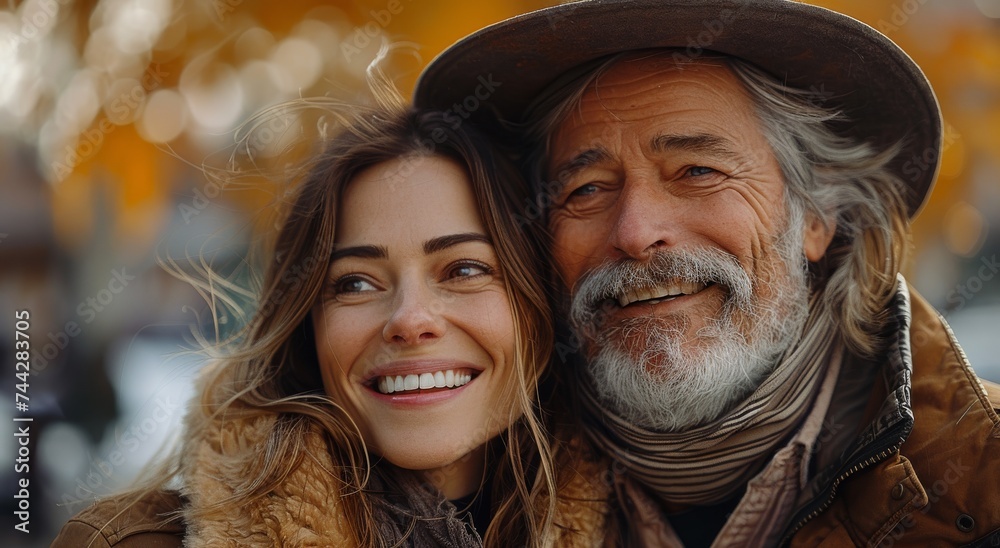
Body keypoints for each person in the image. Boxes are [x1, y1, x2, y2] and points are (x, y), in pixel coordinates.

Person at [414, 1, 1000, 546]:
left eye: (697, 170)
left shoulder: (984, 477)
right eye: (586, 189)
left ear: (818, 216)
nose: (636, 233)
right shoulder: (460, 495)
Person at [51, 76, 609, 546]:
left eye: (463, 270)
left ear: (538, 306)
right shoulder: (125, 541)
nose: (410, 319)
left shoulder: (644, 526)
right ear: (306, 327)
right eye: (356, 283)